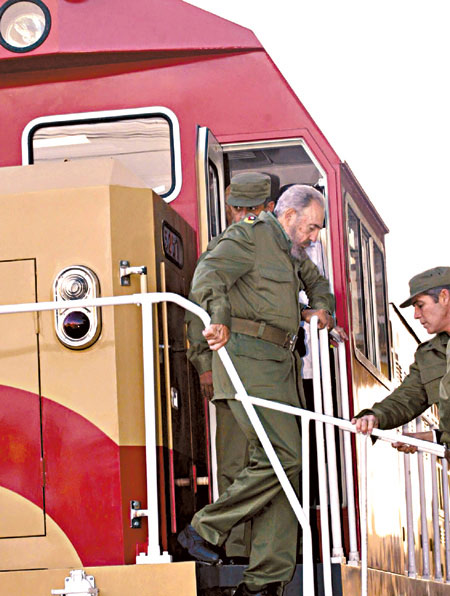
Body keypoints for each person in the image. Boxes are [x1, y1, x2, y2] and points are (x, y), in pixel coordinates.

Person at [180, 176, 337, 596]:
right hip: (249, 359)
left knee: (288, 465)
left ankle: (266, 580)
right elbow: (208, 276)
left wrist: (320, 309)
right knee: (283, 458)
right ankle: (205, 529)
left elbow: (318, 283)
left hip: (281, 365)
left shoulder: (290, 250)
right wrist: (218, 318)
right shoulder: (248, 236)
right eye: (312, 226)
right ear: (287, 215)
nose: (315, 235)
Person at [187, 173, 277, 562]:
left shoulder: (278, 246)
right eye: (236, 209)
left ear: (269, 209)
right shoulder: (223, 247)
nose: (241, 216)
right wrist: (204, 364)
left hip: (268, 370)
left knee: (272, 460)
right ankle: (237, 550)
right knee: (234, 462)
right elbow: (199, 306)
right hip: (230, 369)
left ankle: (265, 550)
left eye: (250, 209)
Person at [352, 266, 450, 453]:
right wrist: (375, 416)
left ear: (444, 297)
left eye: (420, 305)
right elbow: (407, 398)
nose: (416, 315)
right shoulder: (429, 355)